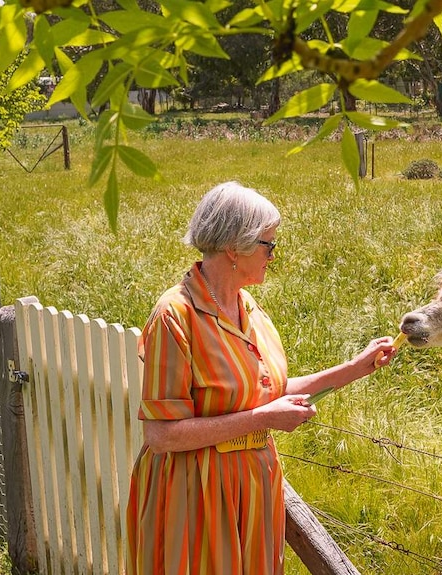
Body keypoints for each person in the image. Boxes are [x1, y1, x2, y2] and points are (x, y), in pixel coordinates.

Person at [126, 181, 397, 575]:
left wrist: (357, 367)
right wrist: (266, 419)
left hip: (251, 492)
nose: (274, 255)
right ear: (235, 248)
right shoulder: (175, 315)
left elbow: (266, 391)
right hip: (193, 496)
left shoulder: (247, 306)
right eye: (269, 245)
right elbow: (162, 435)